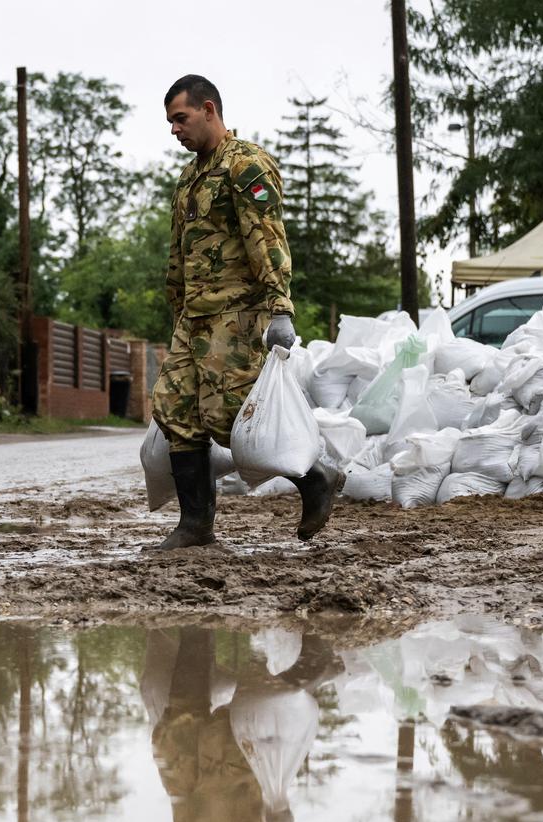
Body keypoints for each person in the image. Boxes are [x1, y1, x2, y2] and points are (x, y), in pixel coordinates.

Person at [153, 75, 342, 550]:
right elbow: (180, 253)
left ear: (209, 110)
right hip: (193, 320)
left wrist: (280, 307)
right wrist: (176, 309)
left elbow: (267, 239)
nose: (175, 130)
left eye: (181, 118)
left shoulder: (246, 165)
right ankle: (196, 526)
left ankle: (316, 476)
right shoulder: (190, 175)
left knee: (231, 417)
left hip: (236, 317)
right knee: (175, 411)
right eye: (171, 121)